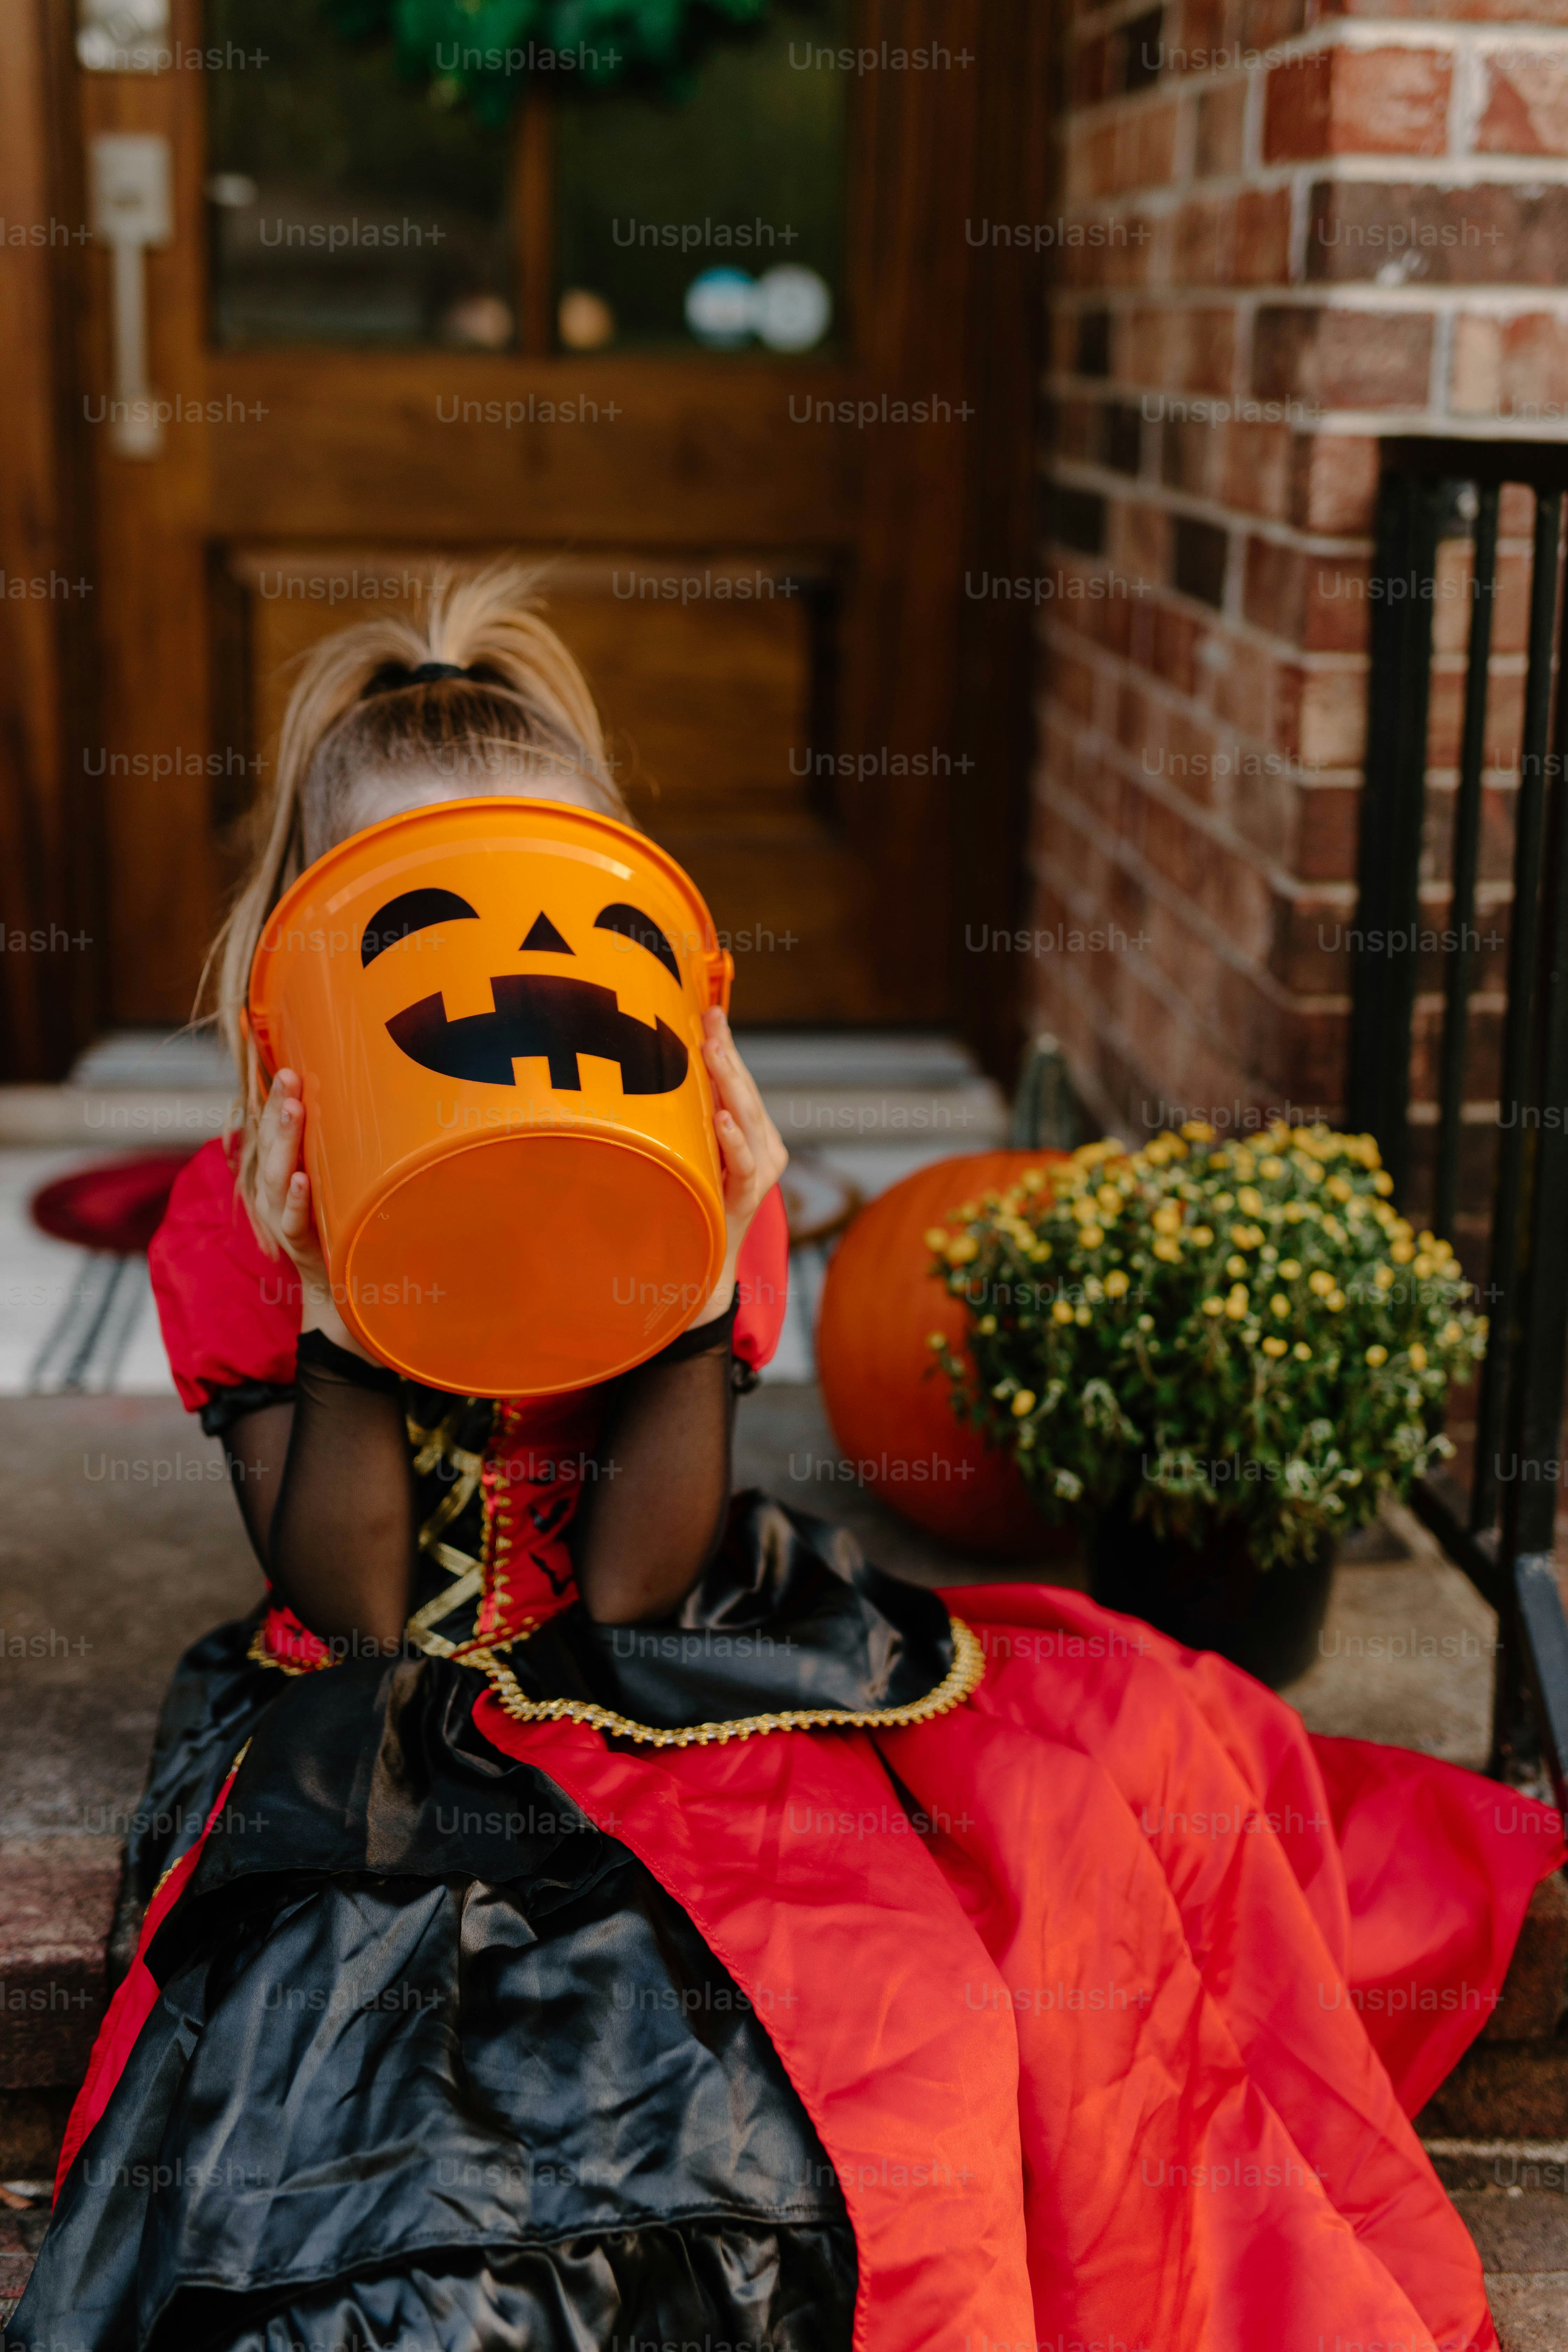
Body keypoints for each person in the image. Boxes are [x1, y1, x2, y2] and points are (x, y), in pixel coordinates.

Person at [10, 566, 1561, 2352]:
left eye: (549, 919)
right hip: (381, 1711)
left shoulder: (681, 1186)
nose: (508, 982)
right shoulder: (236, 1221)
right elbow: (361, 1614)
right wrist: (345, 1307)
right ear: (308, 954)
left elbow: (636, 1588)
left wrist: (696, 1258)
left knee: (927, 1990)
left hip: (655, 1648)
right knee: (371, 2157)